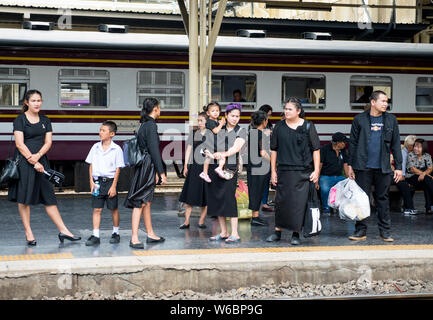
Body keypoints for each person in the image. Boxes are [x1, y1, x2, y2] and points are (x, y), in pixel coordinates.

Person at [7, 89, 81, 245]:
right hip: (24, 162)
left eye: (39, 100)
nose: (37, 103)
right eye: (33, 100)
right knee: (24, 198)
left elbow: (48, 142)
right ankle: (29, 232)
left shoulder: (45, 120)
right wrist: (32, 160)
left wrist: (38, 157)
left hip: (41, 161)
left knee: (49, 196)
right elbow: (19, 144)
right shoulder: (20, 120)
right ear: (26, 102)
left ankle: (64, 230)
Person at [347, 90, 402, 242]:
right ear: (373, 102)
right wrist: (350, 165)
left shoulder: (391, 120)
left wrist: (398, 166)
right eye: (383, 101)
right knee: (361, 199)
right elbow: (352, 143)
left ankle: (385, 231)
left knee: (382, 199)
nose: (386, 104)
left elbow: (396, 143)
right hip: (362, 166)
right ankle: (360, 231)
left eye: (386, 101)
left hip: (383, 167)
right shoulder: (359, 119)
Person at [266, 98, 321, 245]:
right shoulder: (279, 127)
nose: (286, 111)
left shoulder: (309, 126)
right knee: (281, 203)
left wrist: (316, 171)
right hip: (284, 170)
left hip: (303, 172)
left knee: (298, 205)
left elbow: (316, 150)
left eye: (290, 109)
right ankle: (277, 231)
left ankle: (295, 233)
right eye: (285, 109)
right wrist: (273, 171)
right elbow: (273, 150)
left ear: (298, 111)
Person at [124, 97, 167, 249]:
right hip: (147, 164)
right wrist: (161, 172)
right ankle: (134, 238)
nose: (160, 111)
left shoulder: (144, 124)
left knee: (146, 202)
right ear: (155, 109)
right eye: (159, 108)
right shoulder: (151, 125)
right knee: (140, 201)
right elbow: (154, 150)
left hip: (144, 165)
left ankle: (150, 233)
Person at [207, 103, 246, 243]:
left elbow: (236, 148)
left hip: (230, 168)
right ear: (226, 115)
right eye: (232, 116)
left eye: (237, 116)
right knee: (218, 199)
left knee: (229, 199)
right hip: (215, 167)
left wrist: (222, 153)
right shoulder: (219, 129)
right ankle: (224, 232)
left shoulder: (241, 130)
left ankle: (235, 233)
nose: (235, 118)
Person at [84, 121, 125, 246]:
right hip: (97, 182)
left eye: (103, 130)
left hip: (110, 182)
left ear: (112, 134)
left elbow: (118, 168)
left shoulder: (116, 149)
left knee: (113, 208)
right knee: (97, 209)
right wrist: (91, 181)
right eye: (100, 130)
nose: (100, 132)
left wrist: (113, 186)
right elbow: (90, 164)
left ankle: (116, 232)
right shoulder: (95, 147)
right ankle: (95, 235)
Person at [178, 112, 208, 229]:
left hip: (205, 167)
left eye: (201, 120)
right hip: (194, 166)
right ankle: (186, 222)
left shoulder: (210, 134)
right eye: (198, 120)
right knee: (189, 195)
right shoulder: (193, 133)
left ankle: (201, 221)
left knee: (204, 196)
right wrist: (185, 165)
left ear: (206, 121)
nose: (199, 123)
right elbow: (189, 150)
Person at [247, 110, 270, 227]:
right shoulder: (260, 134)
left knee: (254, 191)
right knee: (257, 192)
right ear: (264, 121)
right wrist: (274, 161)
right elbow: (263, 152)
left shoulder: (252, 132)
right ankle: (255, 218)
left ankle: (255, 216)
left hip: (252, 166)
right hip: (259, 167)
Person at [317, 132, 349, 216]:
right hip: (326, 176)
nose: (345, 144)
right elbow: (319, 165)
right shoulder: (324, 149)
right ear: (337, 143)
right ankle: (326, 208)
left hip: (338, 177)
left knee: (348, 187)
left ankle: (343, 207)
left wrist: (348, 179)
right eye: (343, 142)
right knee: (325, 189)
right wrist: (316, 180)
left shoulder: (343, 151)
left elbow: (345, 164)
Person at [199, 102, 227, 182]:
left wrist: (222, 123)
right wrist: (221, 124)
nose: (215, 112)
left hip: (215, 144)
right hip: (208, 143)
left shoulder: (217, 121)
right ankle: (204, 173)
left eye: (217, 111)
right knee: (208, 157)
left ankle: (219, 168)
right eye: (213, 111)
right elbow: (215, 131)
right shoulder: (209, 121)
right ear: (208, 113)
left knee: (222, 155)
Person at [406, 138, 433, 214]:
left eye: (418, 147)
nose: (416, 148)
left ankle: (428, 208)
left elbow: (430, 168)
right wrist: (424, 174)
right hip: (411, 177)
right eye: (415, 146)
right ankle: (429, 207)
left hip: (423, 178)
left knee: (426, 183)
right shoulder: (410, 155)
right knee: (428, 180)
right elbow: (412, 169)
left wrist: (424, 174)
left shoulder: (427, 156)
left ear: (423, 147)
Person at [394, 135, 417, 215]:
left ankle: (407, 207)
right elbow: (402, 171)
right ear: (410, 146)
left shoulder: (410, 153)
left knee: (413, 182)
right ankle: (409, 208)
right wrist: (407, 180)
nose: (416, 147)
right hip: (397, 175)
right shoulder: (403, 153)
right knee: (405, 185)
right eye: (415, 145)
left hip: (403, 175)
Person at [258, 104, 274, 212]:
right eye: (268, 115)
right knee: (258, 181)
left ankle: (264, 202)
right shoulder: (255, 124)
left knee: (266, 181)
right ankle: (258, 202)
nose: (269, 117)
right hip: (259, 156)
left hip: (268, 153)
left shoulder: (270, 124)